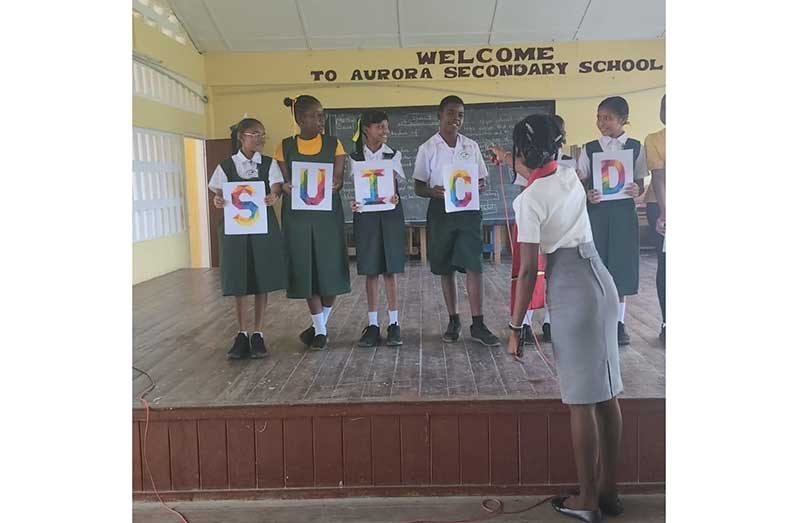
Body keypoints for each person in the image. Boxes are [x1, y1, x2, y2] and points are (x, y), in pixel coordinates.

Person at [507, 114, 625, 522]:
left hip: (572, 290)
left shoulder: (528, 201)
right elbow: (541, 171)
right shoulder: (571, 173)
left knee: (580, 401)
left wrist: (514, 327)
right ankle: (608, 491)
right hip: (600, 280)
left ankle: (587, 500)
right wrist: (519, 162)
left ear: (522, 153)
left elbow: (525, 272)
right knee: (607, 395)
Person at [413, 95, 499, 346]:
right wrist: (433, 191)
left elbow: (482, 178)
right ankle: (453, 319)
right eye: (451, 113)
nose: (456, 118)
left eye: (460, 114)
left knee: (474, 265)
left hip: (469, 211)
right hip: (441, 211)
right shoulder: (427, 148)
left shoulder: (470, 146)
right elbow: (418, 186)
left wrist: (480, 185)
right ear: (439, 115)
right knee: (446, 266)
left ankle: (479, 322)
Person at [208, 117, 287, 359]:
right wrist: (218, 201)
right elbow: (218, 195)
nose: (260, 138)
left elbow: (275, 188)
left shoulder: (269, 164)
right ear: (242, 137)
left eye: (262, 134)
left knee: (261, 278)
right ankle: (241, 332)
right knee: (239, 279)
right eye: (255, 134)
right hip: (236, 230)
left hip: (262, 228)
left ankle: (258, 333)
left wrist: (273, 197)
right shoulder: (226, 166)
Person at [275, 95, 349, 350]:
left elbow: (337, 179)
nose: (321, 120)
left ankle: (320, 326)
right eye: (315, 116)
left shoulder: (334, 144)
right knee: (305, 269)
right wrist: (285, 187)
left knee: (330, 270)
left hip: (327, 216)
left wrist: (334, 184)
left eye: (322, 115)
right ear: (299, 119)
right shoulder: (284, 146)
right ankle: (320, 330)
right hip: (298, 218)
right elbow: (284, 182)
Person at [576, 96, 647, 346]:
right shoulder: (590, 148)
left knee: (621, 267)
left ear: (623, 119)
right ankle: (597, 321)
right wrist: (587, 193)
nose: (601, 122)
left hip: (624, 214)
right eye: (598, 117)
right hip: (597, 214)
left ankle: (618, 323)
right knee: (598, 266)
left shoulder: (636, 147)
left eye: (607, 117)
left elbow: (640, 180)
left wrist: (637, 190)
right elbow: (580, 179)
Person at [349, 110, 405, 347]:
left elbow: (393, 187)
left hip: (389, 216)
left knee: (389, 270)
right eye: (380, 127)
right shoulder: (354, 157)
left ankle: (394, 323)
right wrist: (354, 203)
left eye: (386, 127)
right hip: (366, 217)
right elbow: (357, 188)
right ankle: (372, 324)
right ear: (366, 130)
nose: (385, 131)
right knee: (371, 270)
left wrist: (394, 199)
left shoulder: (393, 155)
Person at [643, 95, 666, 341]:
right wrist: (664, 212)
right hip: (659, 206)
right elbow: (658, 178)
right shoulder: (655, 139)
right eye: (664, 108)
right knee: (666, 263)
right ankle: (667, 321)